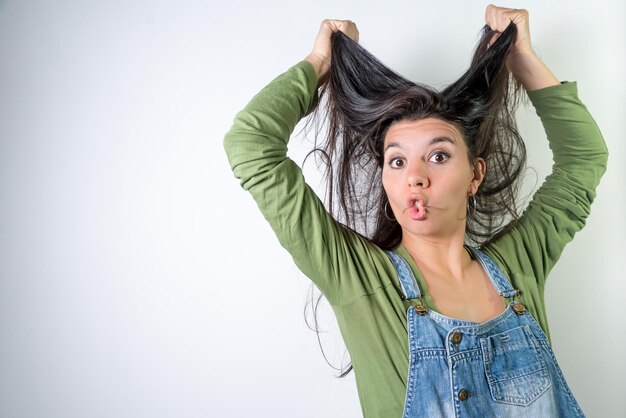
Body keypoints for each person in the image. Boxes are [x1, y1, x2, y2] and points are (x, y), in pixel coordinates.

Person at [224, 5, 607, 417]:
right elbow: (251, 145)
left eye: (439, 156)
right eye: (397, 161)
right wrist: (320, 62)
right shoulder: (359, 278)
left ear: (475, 175)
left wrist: (523, 60)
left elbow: (584, 161)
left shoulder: (520, 263)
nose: (415, 178)